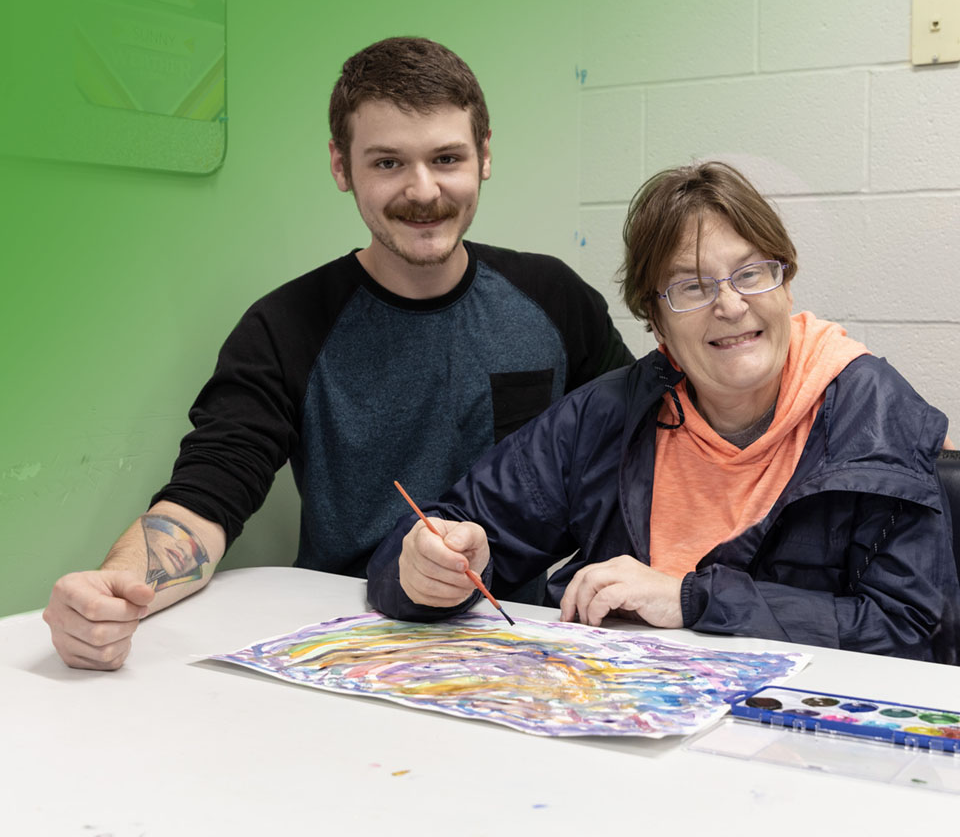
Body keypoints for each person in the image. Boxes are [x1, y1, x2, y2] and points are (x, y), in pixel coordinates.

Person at [43, 37, 632, 670]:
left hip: (529, 637)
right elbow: (203, 500)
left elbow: (646, 445)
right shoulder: (285, 327)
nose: (423, 189)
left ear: (484, 156)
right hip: (355, 641)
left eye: (447, 157)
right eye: (387, 163)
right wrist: (115, 591)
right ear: (339, 166)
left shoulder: (554, 298)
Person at [368, 161, 960, 664]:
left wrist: (689, 598)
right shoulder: (608, 413)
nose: (730, 305)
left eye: (752, 274)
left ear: (786, 284)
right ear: (656, 324)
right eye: (692, 288)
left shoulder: (874, 412)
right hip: (627, 727)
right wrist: (426, 569)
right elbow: (439, 533)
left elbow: (912, 635)